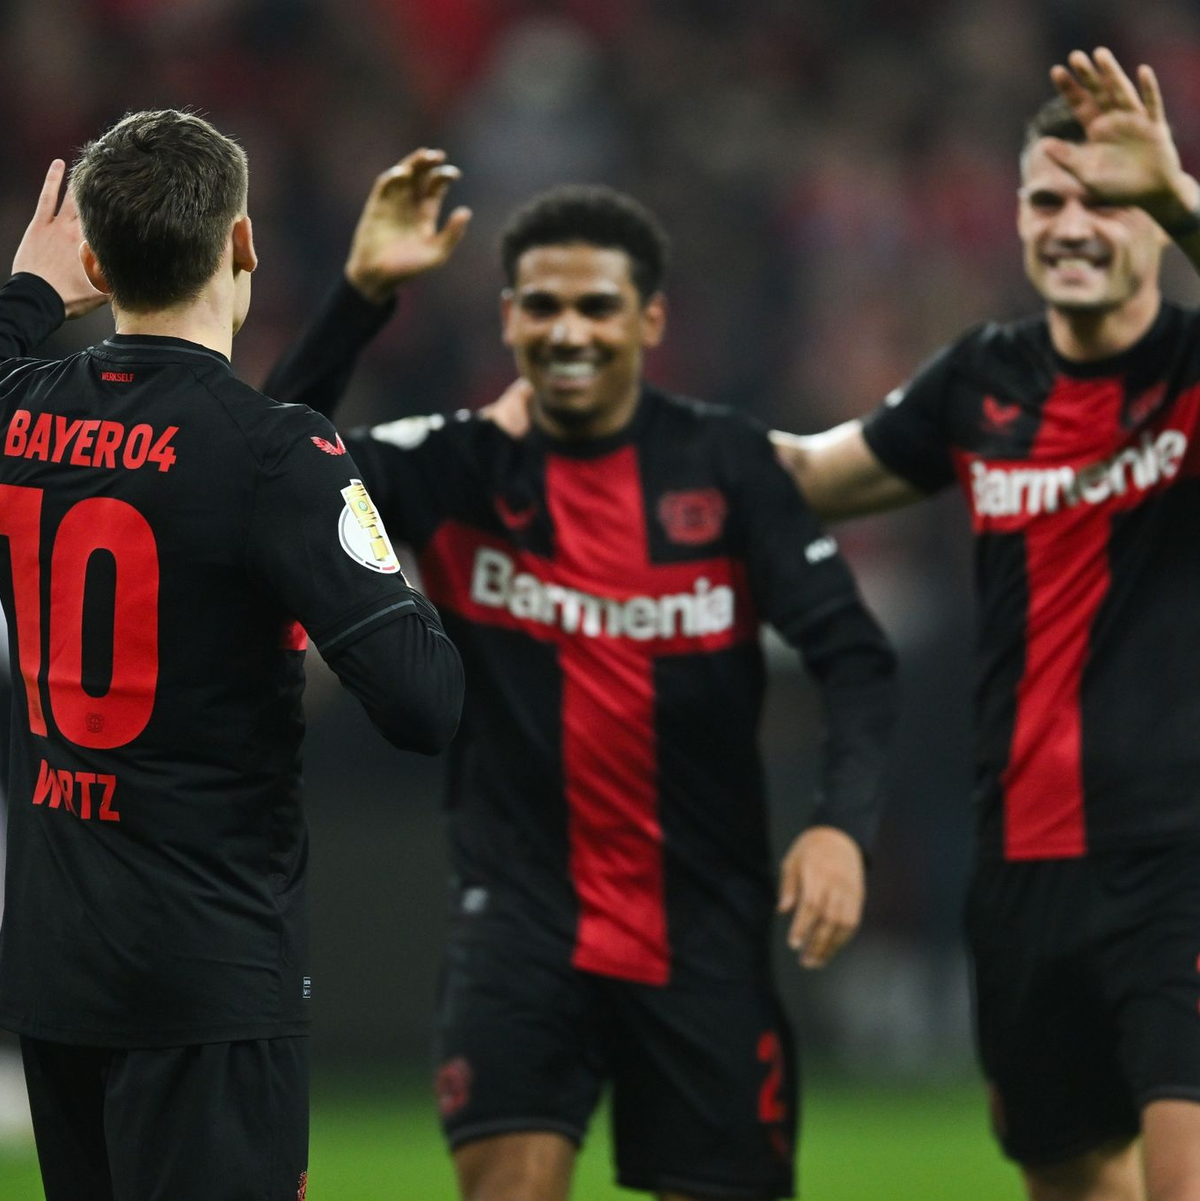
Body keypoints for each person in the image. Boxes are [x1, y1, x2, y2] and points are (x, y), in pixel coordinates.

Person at [264, 156, 898, 1199]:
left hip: (704, 930)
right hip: (518, 927)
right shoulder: (457, 463)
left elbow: (855, 657)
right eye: (545, 306)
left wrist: (840, 824)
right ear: (509, 316)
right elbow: (275, 468)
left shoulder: (728, 466)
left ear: (651, 321)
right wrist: (363, 295)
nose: (570, 332)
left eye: (598, 306)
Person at [0, 112, 464, 1201]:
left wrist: (26, 290)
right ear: (245, 242)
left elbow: (215, 454)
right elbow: (424, 702)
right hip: (203, 981)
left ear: (98, 263)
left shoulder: (21, 416)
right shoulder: (279, 459)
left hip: (58, 977)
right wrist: (383, 570)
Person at [769, 48, 1200, 1201]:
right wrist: (630, 437)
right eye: (1047, 197)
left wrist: (1181, 194)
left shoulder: (1193, 374)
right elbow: (813, 472)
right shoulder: (982, 382)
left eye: (1106, 198)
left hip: (1178, 850)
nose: (1072, 223)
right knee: (1061, 1169)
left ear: (1155, 216)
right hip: (1022, 860)